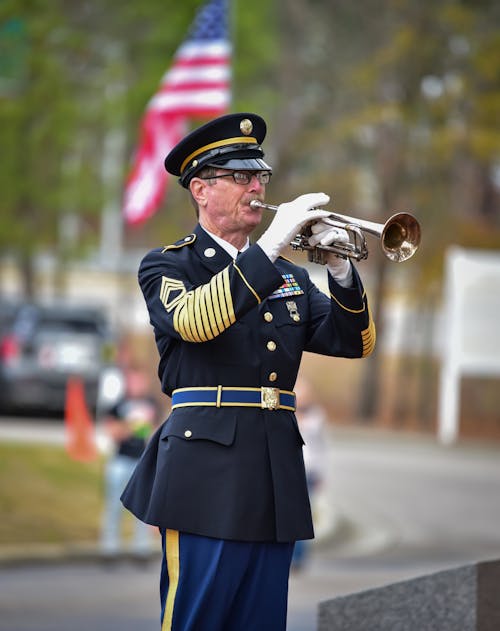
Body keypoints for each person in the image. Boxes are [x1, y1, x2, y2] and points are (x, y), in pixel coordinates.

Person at [121, 112, 376, 630]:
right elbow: (194, 322)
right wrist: (267, 248)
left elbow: (356, 343)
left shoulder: (287, 275)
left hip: (273, 476)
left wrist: (340, 268)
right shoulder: (169, 265)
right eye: (241, 176)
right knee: (198, 620)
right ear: (200, 189)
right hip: (204, 477)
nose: (257, 186)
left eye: (260, 176)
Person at [100, 365, 160, 560]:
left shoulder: (152, 405)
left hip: (143, 462)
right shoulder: (119, 405)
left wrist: (146, 429)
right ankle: (110, 549)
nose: (136, 385)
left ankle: (140, 549)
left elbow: (156, 432)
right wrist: (131, 426)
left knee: (143, 508)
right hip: (120, 461)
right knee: (113, 506)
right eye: (133, 381)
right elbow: (112, 432)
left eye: (139, 380)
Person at [290, 375, 330, 572]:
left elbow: (321, 447)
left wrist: (322, 474)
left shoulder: (316, 415)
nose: (303, 396)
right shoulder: (286, 412)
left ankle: (298, 557)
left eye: (305, 392)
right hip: (290, 469)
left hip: (309, 470)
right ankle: (289, 555)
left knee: (304, 516)